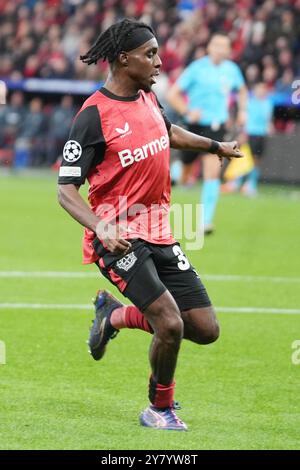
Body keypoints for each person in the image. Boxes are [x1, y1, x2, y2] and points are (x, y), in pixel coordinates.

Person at [57, 19, 243, 431]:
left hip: (159, 230)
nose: (159, 62)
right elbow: (66, 189)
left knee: (204, 328)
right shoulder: (93, 116)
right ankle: (159, 408)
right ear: (124, 58)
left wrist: (216, 146)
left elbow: (168, 131)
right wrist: (100, 227)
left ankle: (113, 317)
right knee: (171, 323)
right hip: (118, 240)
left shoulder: (147, 97)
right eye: (150, 54)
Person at [167, 33, 247, 234]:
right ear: (209, 47)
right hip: (193, 128)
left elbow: (243, 90)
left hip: (217, 128)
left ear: (229, 50)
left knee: (212, 174)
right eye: (216, 45)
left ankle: (206, 221)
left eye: (224, 46)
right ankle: (177, 171)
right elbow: (172, 93)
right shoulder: (197, 68)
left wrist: (243, 111)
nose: (220, 49)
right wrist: (187, 111)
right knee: (185, 178)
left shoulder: (232, 70)